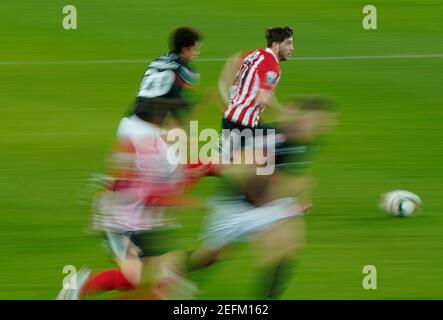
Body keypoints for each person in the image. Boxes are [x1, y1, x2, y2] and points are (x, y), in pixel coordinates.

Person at [57, 27, 204, 300]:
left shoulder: (158, 60)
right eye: (195, 48)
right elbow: (175, 108)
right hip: (139, 159)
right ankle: (79, 288)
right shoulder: (185, 71)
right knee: (134, 274)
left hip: (131, 123)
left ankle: (159, 278)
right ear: (187, 48)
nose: (196, 53)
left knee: (159, 173)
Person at [189, 96, 337, 299]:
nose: (319, 127)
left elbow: (281, 177)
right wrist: (277, 186)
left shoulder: (302, 143)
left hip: (266, 205)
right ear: (300, 117)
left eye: (323, 123)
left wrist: (290, 191)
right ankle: (175, 278)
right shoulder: (271, 137)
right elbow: (237, 171)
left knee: (287, 246)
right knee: (209, 257)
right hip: (234, 205)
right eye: (316, 121)